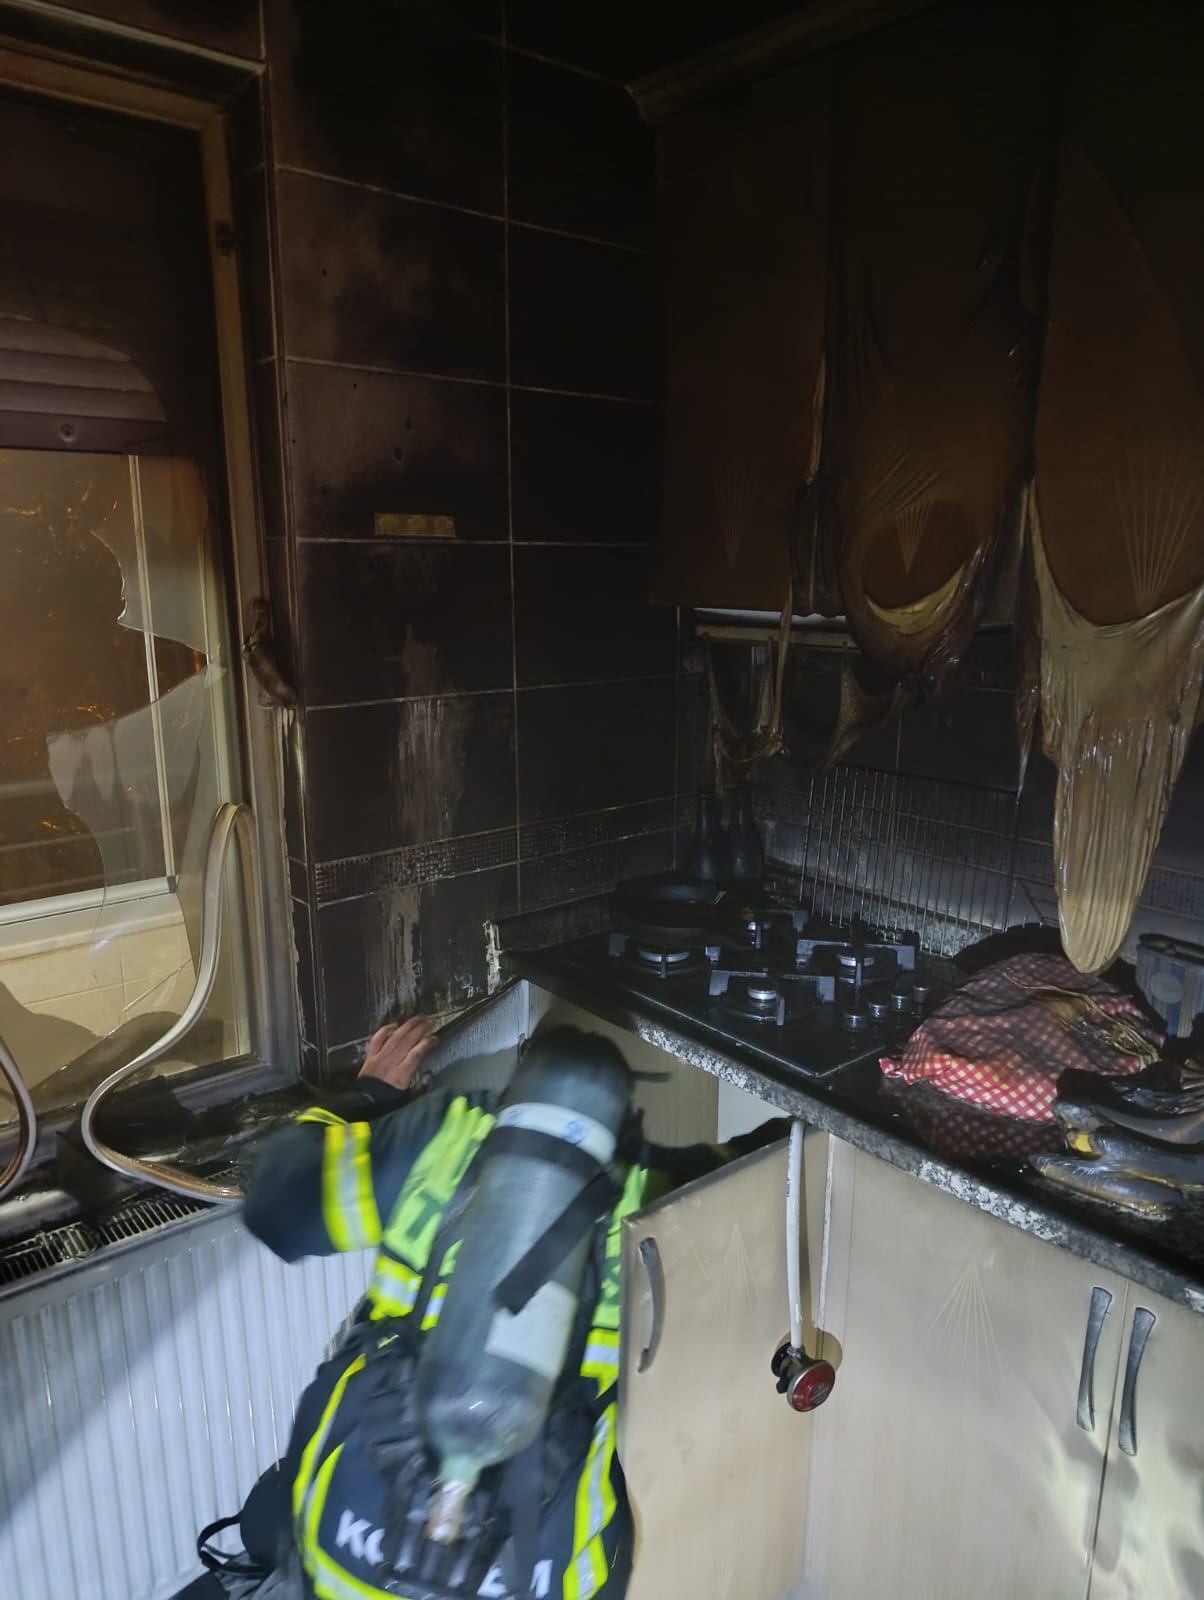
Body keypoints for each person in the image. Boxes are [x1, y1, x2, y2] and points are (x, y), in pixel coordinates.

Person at [181, 1014, 789, 1600]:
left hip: (341, 1555)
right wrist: (800, 1128)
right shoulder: (654, 1195)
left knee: (266, 1515)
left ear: (511, 1097)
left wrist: (371, 1095)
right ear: (623, 1122)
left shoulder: (446, 1137)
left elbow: (277, 1205)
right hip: (547, 1572)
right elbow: (751, 1170)